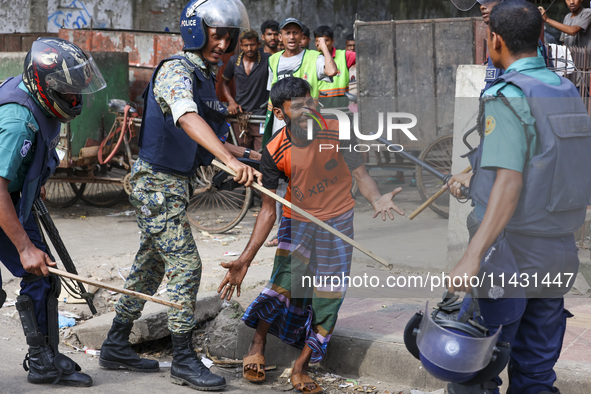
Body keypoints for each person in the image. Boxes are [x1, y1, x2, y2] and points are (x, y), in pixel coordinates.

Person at [98, 0, 261, 391]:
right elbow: (187, 117)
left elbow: (212, 139)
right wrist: (228, 156)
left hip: (175, 187)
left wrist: (255, 157)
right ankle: (184, 359)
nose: (222, 43)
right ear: (195, 30)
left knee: (149, 268)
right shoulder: (177, 70)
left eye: (229, 36)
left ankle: (116, 343)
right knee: (187, 266)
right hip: (156, 186)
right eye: (215, 33)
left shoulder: (206, 76)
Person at [217, 77, 404, 393]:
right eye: (299, 109)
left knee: (329, 296)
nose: (309, 113)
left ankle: (302, 365)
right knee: (285, 284)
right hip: (297, 220)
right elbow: (267, 209)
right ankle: (257, 343)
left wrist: (376, 198)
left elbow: (362, 176)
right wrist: (244, 260)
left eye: (311, 103)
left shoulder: (338, 131)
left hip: (339, 221)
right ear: (280, 114)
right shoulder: (275, 150)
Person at [446, 2, 591, 393]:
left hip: (509, 255)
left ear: (495, 40)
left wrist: (471, 256)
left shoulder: (507, 94)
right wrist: (474, 174)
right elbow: (542, 159)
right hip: (559, 251)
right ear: (541, 36)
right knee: (536, 373)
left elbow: (509, 184)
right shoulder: (565, 90)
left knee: (473, 370)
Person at [0, 37, 106, 387]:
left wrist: (33, 177)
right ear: (45, 86)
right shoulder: (18, 122)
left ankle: (44, 360)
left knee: (43, 276)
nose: (75, 99)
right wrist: (24, 247)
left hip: (14, 199)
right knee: (31, 262)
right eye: (69, 91)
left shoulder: (41, 104)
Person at [221, 29, 270, 152]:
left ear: (258, 44)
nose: (249, 49)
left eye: (252, 45)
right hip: (240, 116)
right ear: (241, 45)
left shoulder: (268, 59)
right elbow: (224, 83)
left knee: (261, 154)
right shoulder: (234, 61)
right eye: (246, 45)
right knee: (242, 154)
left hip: (261, 115)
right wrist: (231, 102)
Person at [314, 25, 356, 109]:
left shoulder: (344, 55)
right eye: (318, 41)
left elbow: (365, 58)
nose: (322, 44)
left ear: (333, 41)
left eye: (326, 41)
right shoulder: (311, 58)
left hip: (342, 108)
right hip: (321, 109)